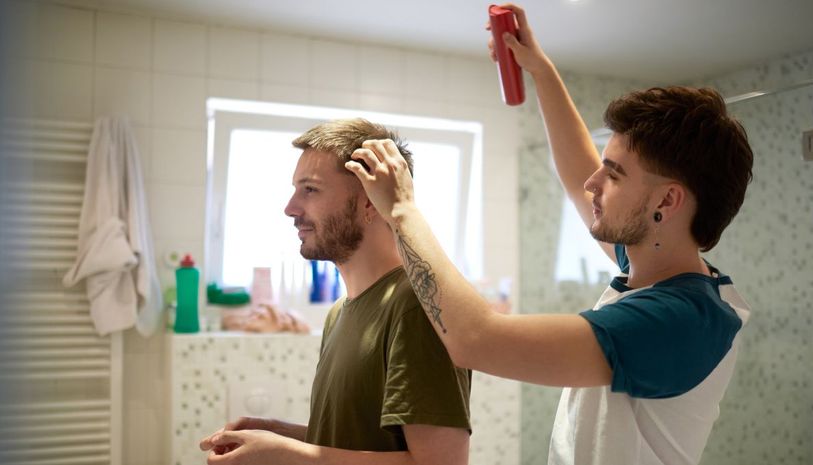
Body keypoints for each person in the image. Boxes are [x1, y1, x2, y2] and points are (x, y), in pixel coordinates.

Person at [345, 4, 754, 465]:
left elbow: (475, 341)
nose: (592, 184)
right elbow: (578, 165)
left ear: (666, 203)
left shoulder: (678, 319)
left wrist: (402, 209)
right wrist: (539, 70)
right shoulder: (656, 266)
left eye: (614, 175)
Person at [199, 119, 472, 465]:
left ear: (371, 202)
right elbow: (359, 439)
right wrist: (276, 434)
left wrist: (287, 454)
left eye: (310, 190)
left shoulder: (416, 306)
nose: (290, 208)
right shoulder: (340, 311)